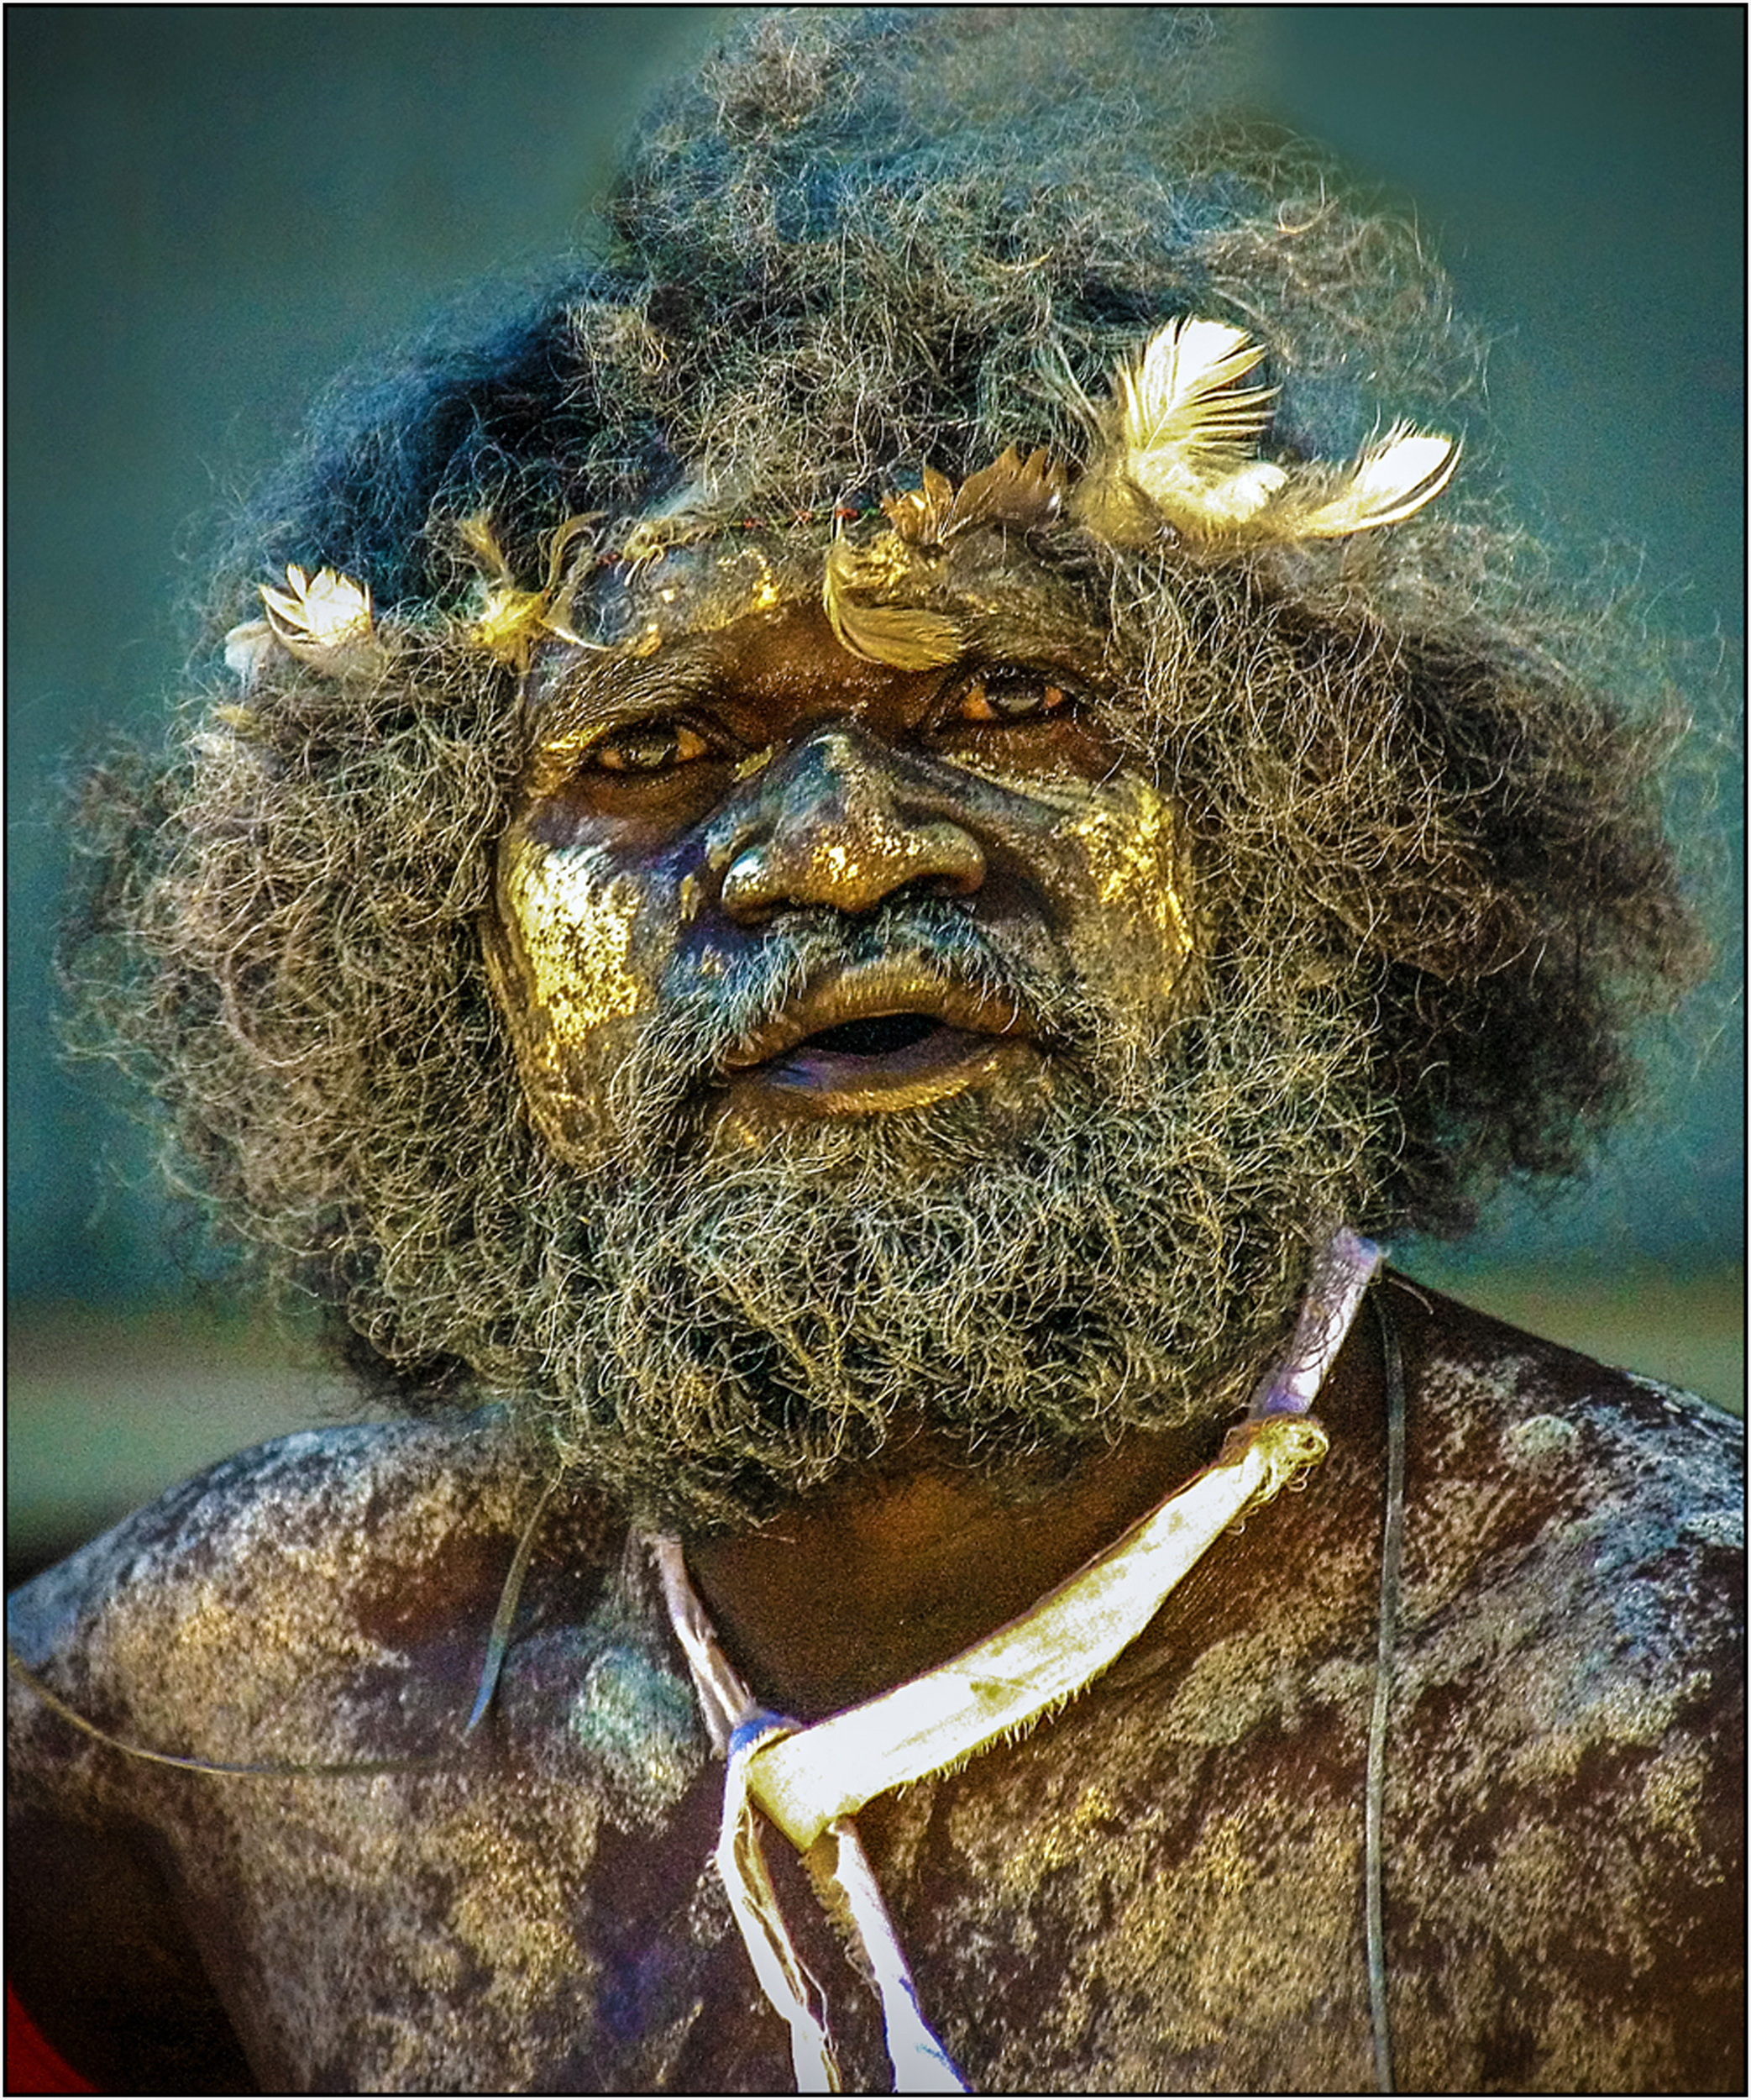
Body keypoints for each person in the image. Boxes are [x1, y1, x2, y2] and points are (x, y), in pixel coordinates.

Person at [8, 12, 1741, 2092]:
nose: (836, 850)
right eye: (650, 748)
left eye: (1002, 702)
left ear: (1305, 840)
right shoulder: (229, 1691)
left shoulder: (1661, 1711)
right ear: (427, 957)